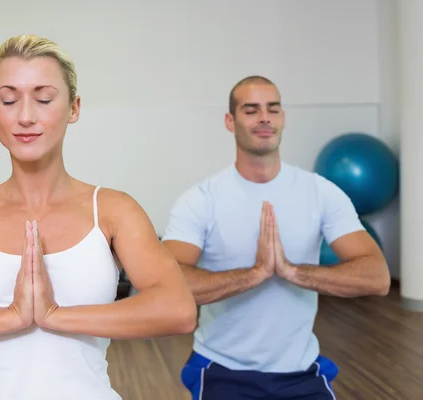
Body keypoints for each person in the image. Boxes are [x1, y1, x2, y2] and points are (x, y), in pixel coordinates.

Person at [0, 34, 197, 400]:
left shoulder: (113, 210)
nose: (25, 116)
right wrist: (9, 317)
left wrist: (55, 315)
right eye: (9, 100)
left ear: (73, 108)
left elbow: (177, 309)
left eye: (43, 99)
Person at [161, 75, 391, 399]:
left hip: (301, 372)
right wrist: (254, 274)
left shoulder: (321, 192)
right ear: (230, 121)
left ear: (283, 118)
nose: (265, 117)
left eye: (273, 109)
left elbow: (378, 277)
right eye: (251, 110)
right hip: (223, 371)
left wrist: (292, 271)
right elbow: (165, 283)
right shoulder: (201, 199)